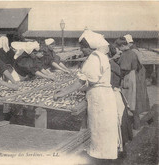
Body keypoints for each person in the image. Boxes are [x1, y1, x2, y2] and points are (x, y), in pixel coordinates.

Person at [54, 30, 118, 159]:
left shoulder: (94, 58)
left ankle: (100, 157)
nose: (81, 50)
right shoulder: (101, 56)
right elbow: (91, 80)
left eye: (83, 47)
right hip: (104, 95)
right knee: (104, 128)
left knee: (99, 127)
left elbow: (81, 80)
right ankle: (104, 155)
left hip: (99, 97)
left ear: (90, 47)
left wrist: (62, 93)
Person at [115, 37, 150, 130]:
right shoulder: (133, 52)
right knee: (133, 103)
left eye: (119, 47)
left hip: (128, 78)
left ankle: (128, 127)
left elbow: (123, 69)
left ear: (122, 46)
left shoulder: (126, 54)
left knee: (128, 102)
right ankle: (136, 125)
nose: (118, 50)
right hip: (133, 76)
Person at [109, 44, 133, 157]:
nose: (120, 54)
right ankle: (120, 146)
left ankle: (119, 145)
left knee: (120, 119)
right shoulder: (113, 65)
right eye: (118, 53)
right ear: (113, 54)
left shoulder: (111, 63)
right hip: (114, 94)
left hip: (115, 93)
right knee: (120, 119)